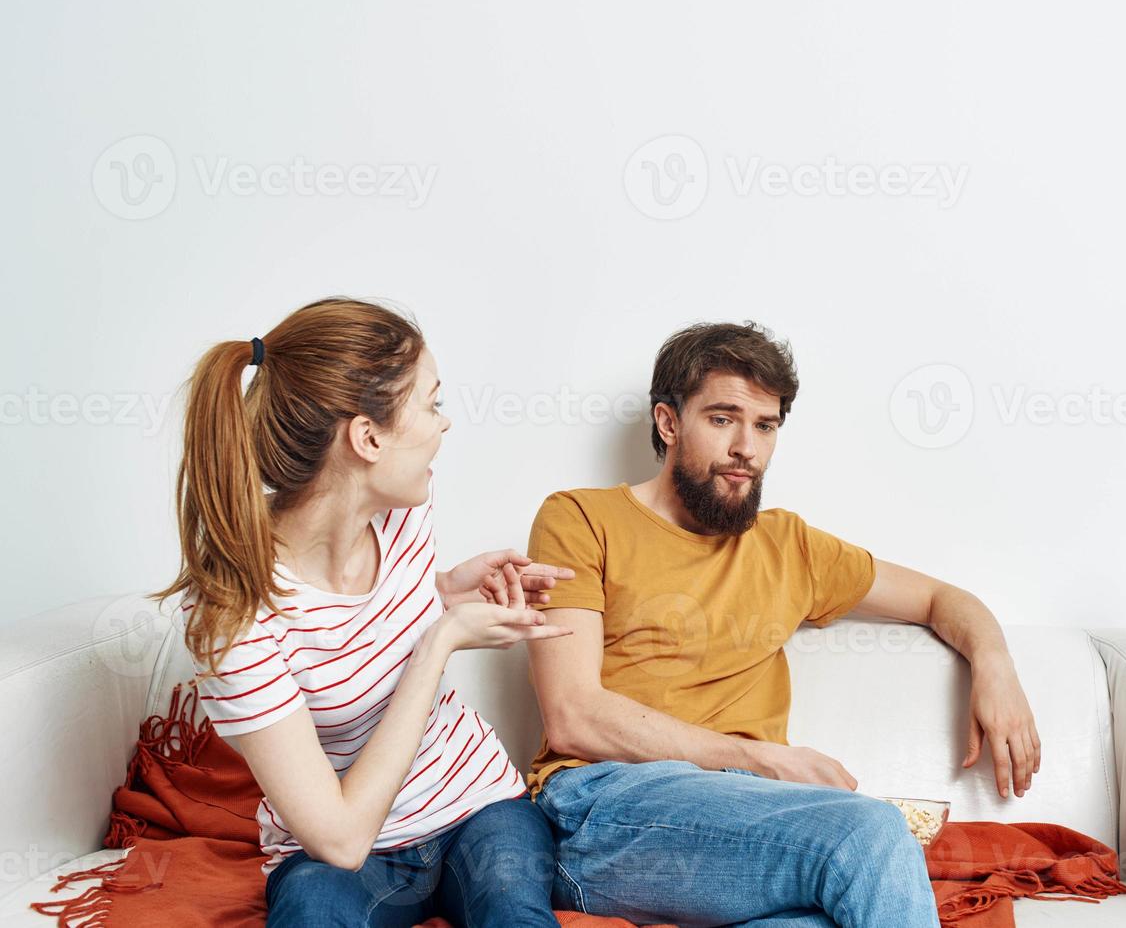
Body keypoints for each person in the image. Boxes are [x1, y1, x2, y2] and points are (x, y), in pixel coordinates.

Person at [523, 321, 1043, 927]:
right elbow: (573, 714)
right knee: (867, 833)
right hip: (603, 810)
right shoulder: (581, 518)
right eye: (723, 419)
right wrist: (760, 760)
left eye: (766, 426)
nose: (748, 446)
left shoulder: (787, 545)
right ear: (669, 422)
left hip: (745, 818)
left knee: (818, 921)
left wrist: (995, 665)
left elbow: (940, 599)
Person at [155, 297, 574, 927]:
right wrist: (440, 642)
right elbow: (342, 840)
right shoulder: (231, 614)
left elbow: (362, 614)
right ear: (368, 437)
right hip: (343, 852)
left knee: (515, 913)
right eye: (433, 403)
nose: (445, 424)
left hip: (476, 806)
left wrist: (450, 590)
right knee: (308, 914)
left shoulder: (404, 511)